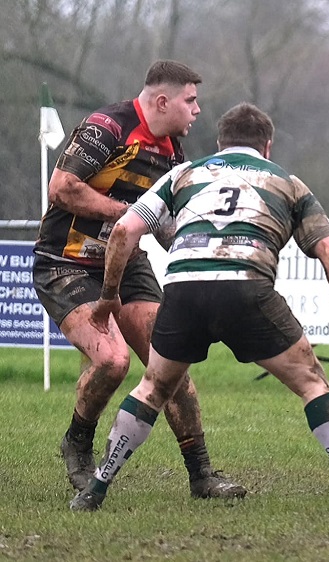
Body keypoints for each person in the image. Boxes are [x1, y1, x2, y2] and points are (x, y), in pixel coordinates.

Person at [69, 102, 329, 512]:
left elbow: (124, 229)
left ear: (220, 143)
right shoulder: (288, 183)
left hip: (184, 291)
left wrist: (109, 294)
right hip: (246, 290)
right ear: (268, 145)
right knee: (313, 383)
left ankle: (96, 489)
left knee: (153, 388)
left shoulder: (184, 174)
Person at [33, 60, 245, 500]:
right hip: (66, 262)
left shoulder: (171, 152)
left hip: (126, 263)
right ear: (162, 100)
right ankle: (77, 443)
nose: (198, 110)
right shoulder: (107, 126)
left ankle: (202, 476)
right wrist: (127, 216)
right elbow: (62, 188)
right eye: (190, 100)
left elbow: (168, 223)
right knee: (112, 360)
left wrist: (206, 258)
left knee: (170, 359)